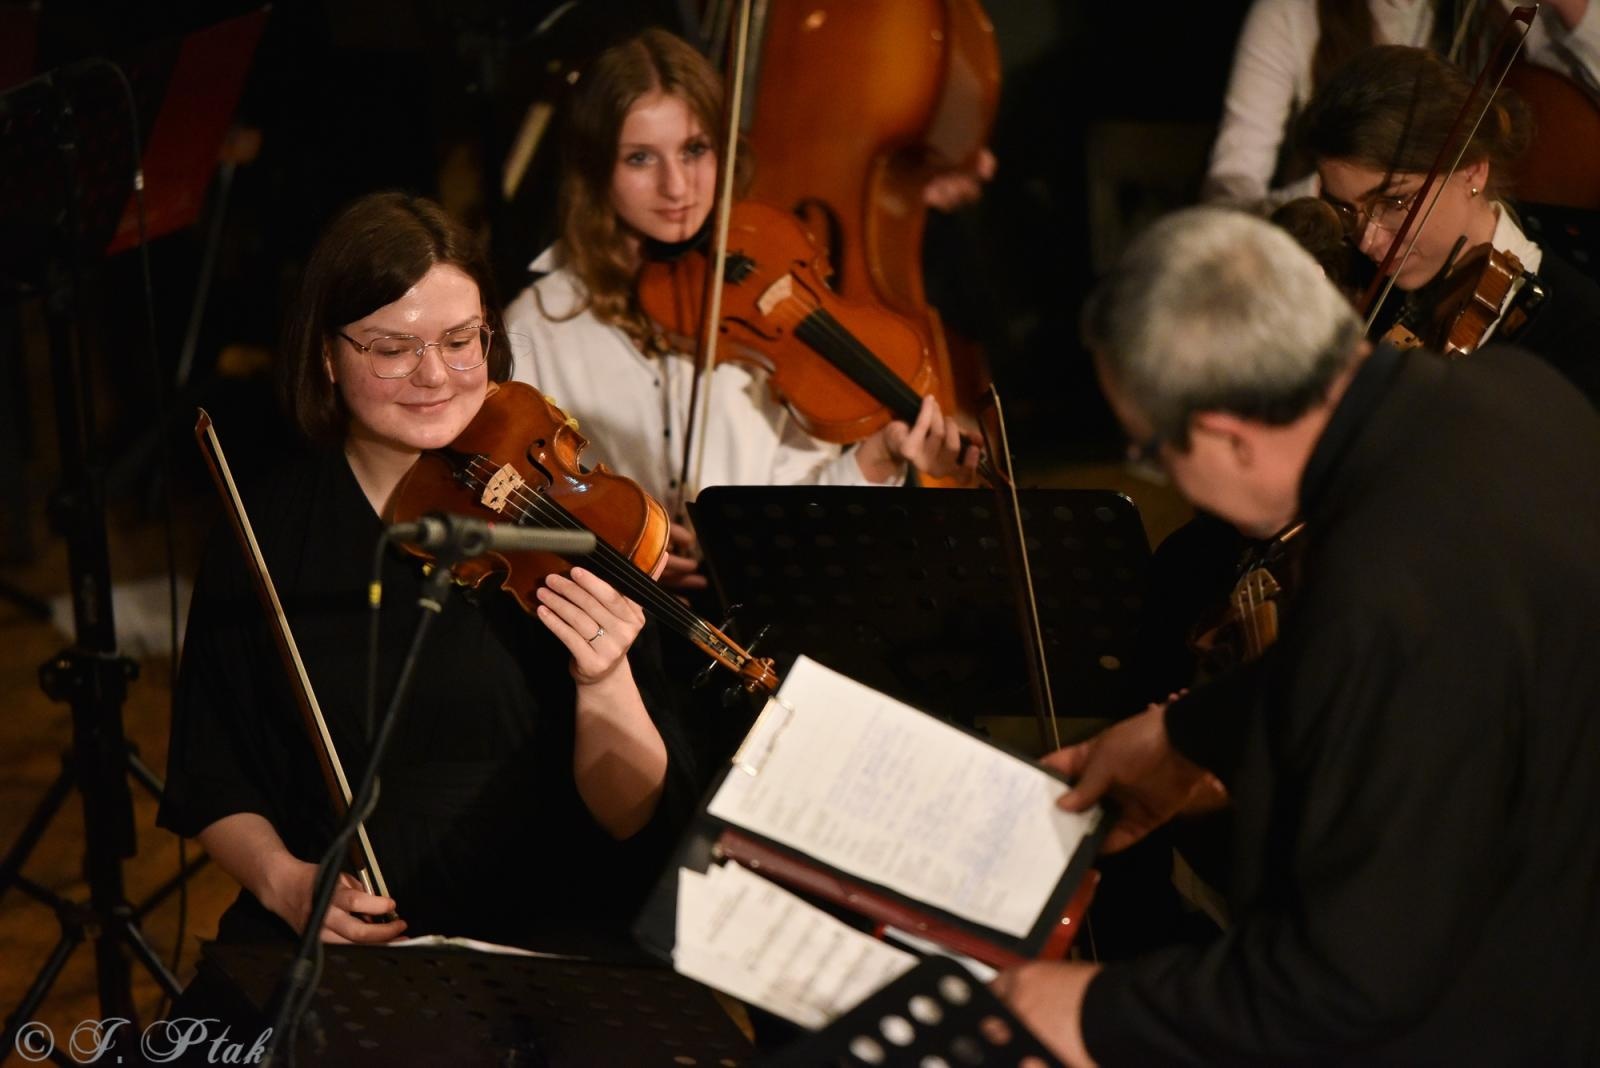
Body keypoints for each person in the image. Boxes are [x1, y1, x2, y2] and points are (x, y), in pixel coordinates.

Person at [992, 206, 1600, 1064]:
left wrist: (1089, 1009)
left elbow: (1347, 983)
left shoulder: (1383, 583)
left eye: (1154, 452)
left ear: (1222, 437)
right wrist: (1185, 734)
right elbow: (1414, 675)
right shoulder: (1516, 399)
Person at [159, 192, 697, 949]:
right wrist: (283, 881)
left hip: (550, 938)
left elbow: (629, 816)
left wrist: (604, 682)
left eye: (459, 341)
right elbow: (215, 773)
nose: (435, 376)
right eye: (392, 349)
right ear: (326, 353)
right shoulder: (264, 527)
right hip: (341, 939)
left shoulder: (561, 528)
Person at [502, 29, 977, 591]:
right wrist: (607, 545)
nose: (676, 186)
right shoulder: (540, 323)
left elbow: (807, 513)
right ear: (596, 168)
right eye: (639, 159)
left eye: (695, 150)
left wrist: (877, 458)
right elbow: (513, 506)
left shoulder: (762, 298)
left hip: (772, 610)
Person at [1301, 43, 1600, 405]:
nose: (1368, 241)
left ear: (1473, 169)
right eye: (1347, 210)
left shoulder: (1581, 336)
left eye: (1394, 202)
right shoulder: (1359, 287)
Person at [1203, 0, 1600, 207]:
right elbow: (1230, 193)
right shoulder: (1292, 13)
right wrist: (1340, 192)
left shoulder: (1509, 10)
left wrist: (1572, 8)